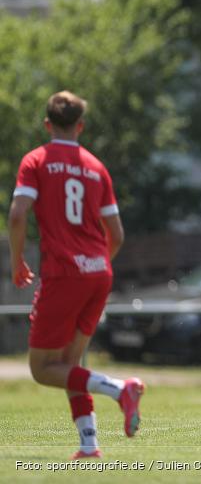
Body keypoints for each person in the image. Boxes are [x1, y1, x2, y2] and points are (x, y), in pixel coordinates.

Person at [7, 91, 143, 460]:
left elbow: (18, 215)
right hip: (99, 272)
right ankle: (89, 445)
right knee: (70, 364)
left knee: (41, 369)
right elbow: (117, 235)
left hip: (64, 273)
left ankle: (119, 390)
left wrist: (17, 261)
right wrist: (95, 264)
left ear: (47, 125)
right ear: (80, 126)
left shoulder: (36, 160)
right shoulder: (96, 167)